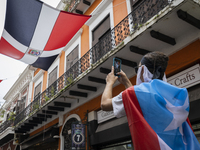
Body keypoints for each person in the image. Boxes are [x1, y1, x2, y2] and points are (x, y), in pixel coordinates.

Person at [101, 51, 200, 150]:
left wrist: (109, 82)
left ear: (143, 69)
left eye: (137, 69)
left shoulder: (137, 93)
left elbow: (104, 104)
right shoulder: (174, 93)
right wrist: (127, 83)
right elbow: (137, 101)